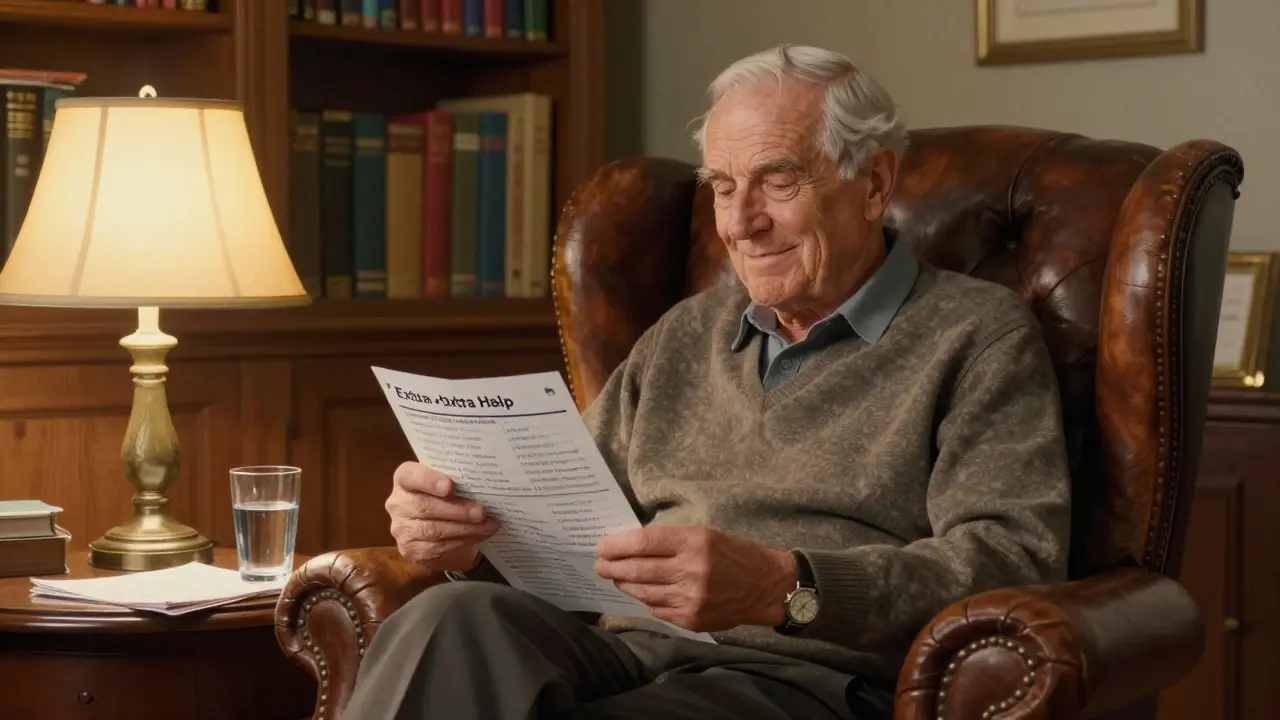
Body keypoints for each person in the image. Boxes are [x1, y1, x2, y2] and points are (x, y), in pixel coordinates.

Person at [344, 44, 1072, 720]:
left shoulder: (977, 335)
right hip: (628, 649)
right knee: (450, 617)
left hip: (798, 679)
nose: (742, 223)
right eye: (724, 188)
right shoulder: (684, 334)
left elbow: (1013, 561)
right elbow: (569, 531)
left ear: (874, 183)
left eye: (777, 181)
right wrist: (469, 542)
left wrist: (783, 588)